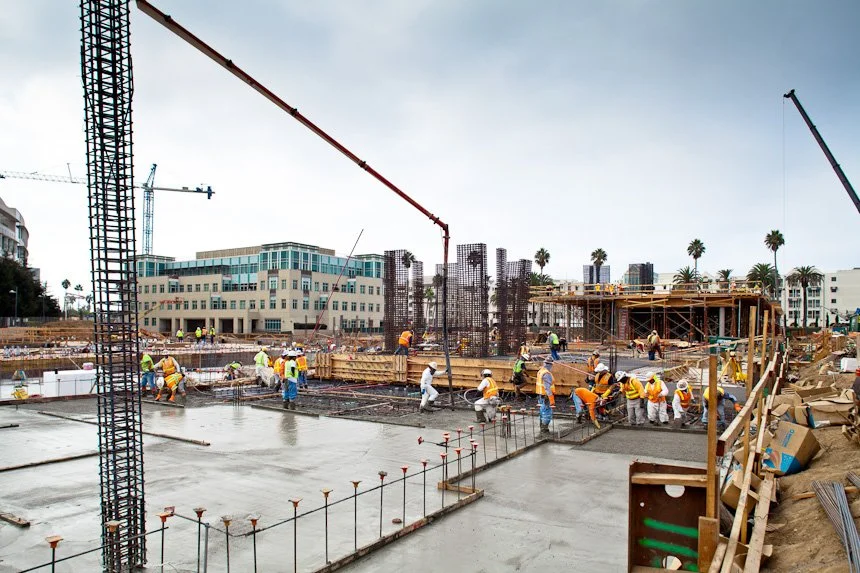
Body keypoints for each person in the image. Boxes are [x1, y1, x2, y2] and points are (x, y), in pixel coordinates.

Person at [535, 357, 556, 434]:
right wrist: (551, 399)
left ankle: (542, 427)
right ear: (550, 365)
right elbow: (547, 388)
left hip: (540, 395)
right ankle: (544, 428)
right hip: (546, 396)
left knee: (542, 411)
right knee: (547, 412)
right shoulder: (546, 373)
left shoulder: (541, 371)